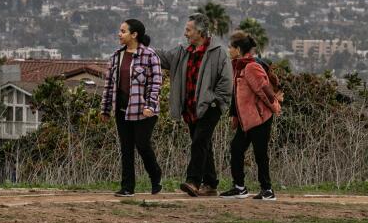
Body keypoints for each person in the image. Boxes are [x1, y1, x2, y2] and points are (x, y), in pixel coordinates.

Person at [156, 13, 232, 197]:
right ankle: (211, 184)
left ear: (200, 32)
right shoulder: (183, 52)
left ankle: (193, 181)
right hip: (190, 109)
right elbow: (164, 58)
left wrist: (215, 101)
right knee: (203, 143)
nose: (185, 34)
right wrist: (143, 49)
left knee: (199, 141)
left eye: (188, 30)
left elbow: (227, 81)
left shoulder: (218, 52)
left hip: (210, 107)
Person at [101, 19, 163, 197]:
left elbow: (156, 83)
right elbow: (109, 86)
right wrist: (105, 109)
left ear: (134, 34)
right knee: (126, 148)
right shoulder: (115, 56)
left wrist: (150, 105)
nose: (119, 34)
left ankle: (155, 175)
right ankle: (127, 187)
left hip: (143, 111)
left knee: (142, 145)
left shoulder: (150, 55)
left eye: (123, 31)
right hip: (122, 110)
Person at [221, 31, 281, 201]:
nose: (229, 50)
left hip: (260, 118)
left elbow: (264, 90)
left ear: (238, 49)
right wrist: (235, 116)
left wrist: (275, 106)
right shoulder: (238, 66)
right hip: (245, 120)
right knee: (236, 149)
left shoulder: (250, 66)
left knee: (260, 153)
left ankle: (267, 189)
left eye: (231, 47)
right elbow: (237, 95)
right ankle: (239, 187)